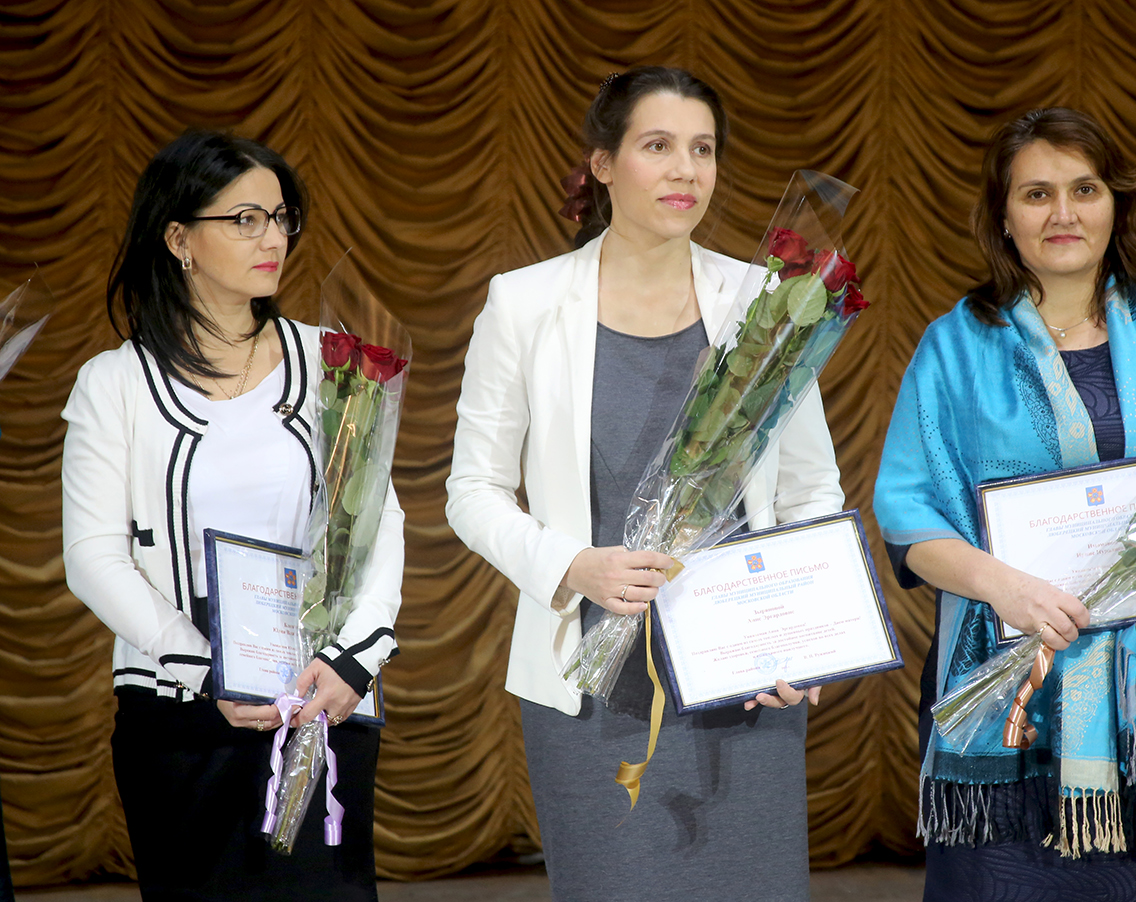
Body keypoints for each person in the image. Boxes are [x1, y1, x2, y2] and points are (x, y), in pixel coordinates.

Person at [446, 67, 843, 902]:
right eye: (657, 146)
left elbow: (810, 490)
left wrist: (805, 640)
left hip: (745, 682)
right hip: (591, 686)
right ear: (602, 164)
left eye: (702, 149)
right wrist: (571, 565)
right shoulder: (523, 303)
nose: (684, 170)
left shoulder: (765, 297)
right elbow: (472, 489)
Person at [873, 108, 1136, 902]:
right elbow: (908, 516)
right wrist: (1003, 588)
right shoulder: (955, 345)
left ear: (1115, 203)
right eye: (1036, 194)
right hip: (1003, 693)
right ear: (1002, 216)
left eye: (1083, 190)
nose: (1062, 213)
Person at [61, 130, 404, 901]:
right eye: (245, 219)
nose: (272, 238)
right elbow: (92, 554)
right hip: (180, 711)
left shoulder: (334, 360)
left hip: (323, 696)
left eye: (281, 218)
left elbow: (379, 523)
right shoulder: (114, 383)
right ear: (178, 237)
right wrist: (202, 666)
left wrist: (355, 659)